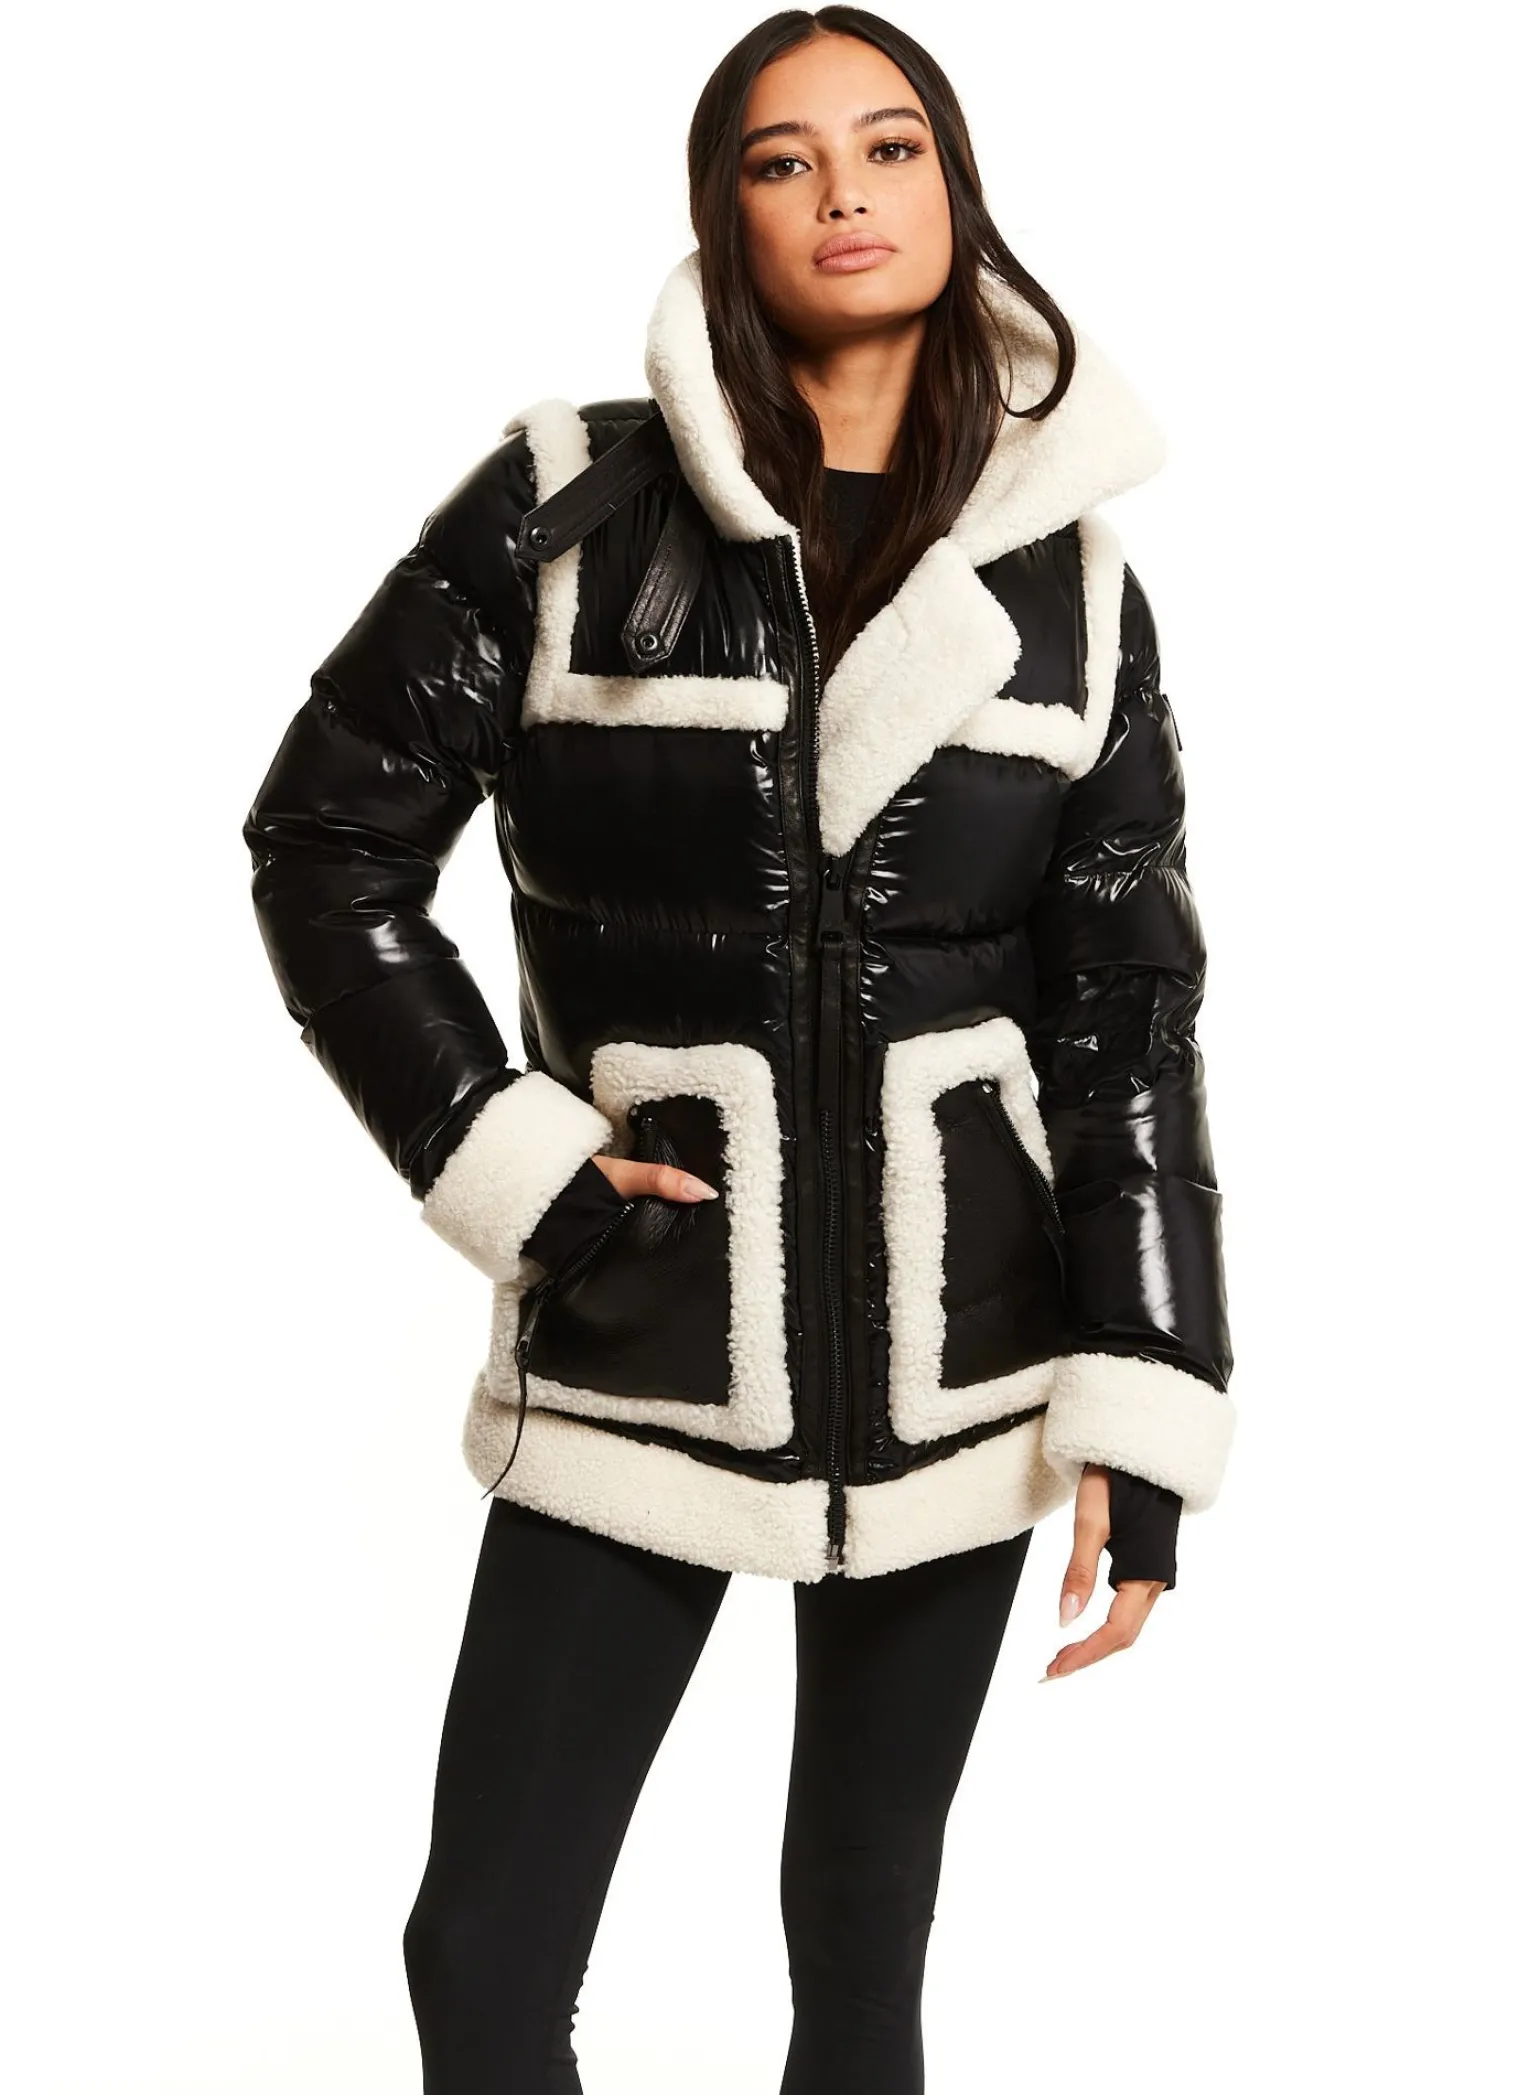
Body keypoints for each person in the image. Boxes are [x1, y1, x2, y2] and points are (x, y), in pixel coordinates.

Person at [241, 10, 1236, 2089]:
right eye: (785, 160)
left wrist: (1147, 1397)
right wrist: (513, 1163)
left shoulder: (1072, 584)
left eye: (890, 146)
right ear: (724, 213)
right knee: (485, 1958)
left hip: (964, 1362)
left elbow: (1127, 1004)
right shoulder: (564, 510)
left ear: (957, 193)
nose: (844, 193)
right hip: (646, 1325)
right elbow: (327, 845)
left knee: (861, 1970)